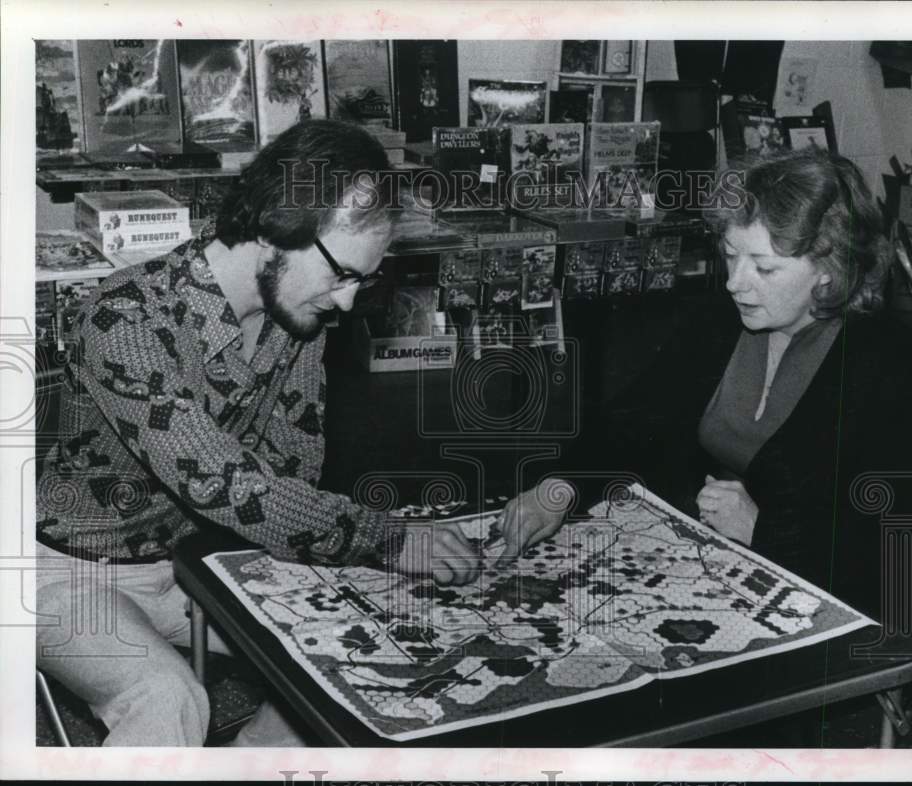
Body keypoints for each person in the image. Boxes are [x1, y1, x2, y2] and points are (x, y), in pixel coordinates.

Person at [34, 119, 558, 747]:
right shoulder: (122, 317)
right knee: (167, 696)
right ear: (275, 226)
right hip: (69, 571)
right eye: (342, 273)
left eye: (362, 281)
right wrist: (388, 539)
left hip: (195, 563)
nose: (345, 302)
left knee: (356, 649)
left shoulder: (294, 316)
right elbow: (230, 489)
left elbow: (294, 472)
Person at [501, 147, 912, 626]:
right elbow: (632, 422)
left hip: (833, 607)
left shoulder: (893, 364)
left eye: (764, 268)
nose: (735, 284)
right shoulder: (720, 322)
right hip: (718, 575)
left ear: (829, 268)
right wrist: (561, 485)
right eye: (729, 256)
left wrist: (763, 531)